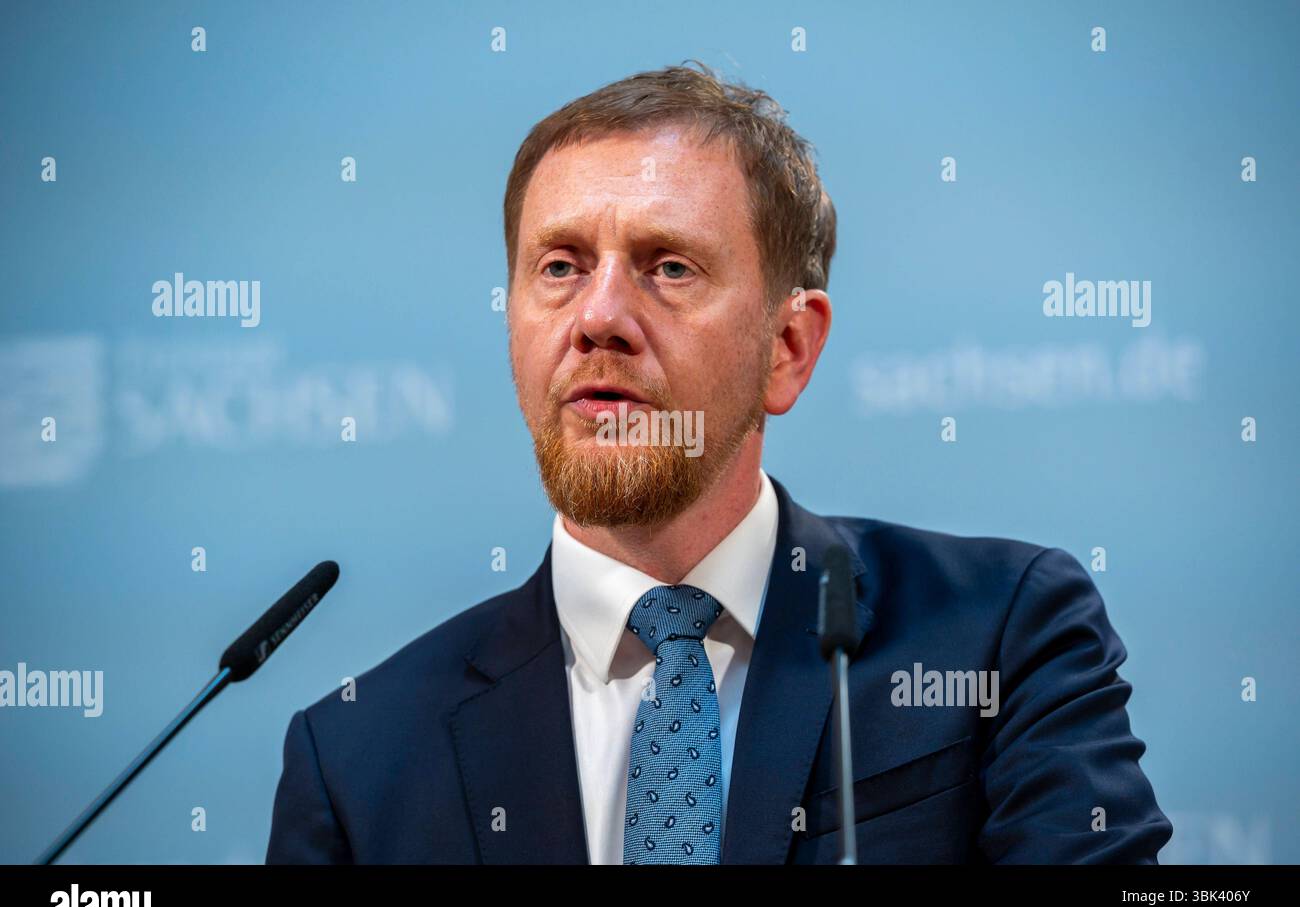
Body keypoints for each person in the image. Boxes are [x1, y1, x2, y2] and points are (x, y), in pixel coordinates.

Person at [267, 62, 1172, 864]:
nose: (599, 317)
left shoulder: (998, 633)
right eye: (559, 266)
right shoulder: (358, 755)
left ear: (786, 346)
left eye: (667, 267)